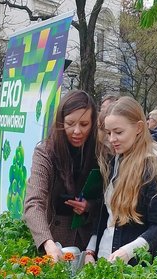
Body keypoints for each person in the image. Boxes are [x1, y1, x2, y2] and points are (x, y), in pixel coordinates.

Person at [85, 97, 157, 264]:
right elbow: (106, 213)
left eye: (118, 132)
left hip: (137, 267)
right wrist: (91, 249)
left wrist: (128, 251)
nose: (111, 139)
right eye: (109, 132)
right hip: (104, 258)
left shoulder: (156, 169)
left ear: (139, 127)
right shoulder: (114, 161)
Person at [23, 90, 102, 259]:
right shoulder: (45, 152)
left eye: (84, 124)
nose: (77, 131)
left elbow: (109, 202)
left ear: (93, 123)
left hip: (91, 242)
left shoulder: (101, 152)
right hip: (56, 239)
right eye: (70, 123)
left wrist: (89, 207)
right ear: (60, 122)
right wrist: (47, 243)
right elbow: (33, 202)